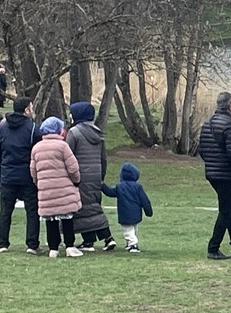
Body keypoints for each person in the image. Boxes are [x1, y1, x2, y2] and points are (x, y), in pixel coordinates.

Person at [196, 91, 231, 260]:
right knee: (226, 210)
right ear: (230, 106)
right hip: (226, 175)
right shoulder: (230, 125)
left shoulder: (207, 124)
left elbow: (202, 150)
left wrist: (212, 163)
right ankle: (213, 248)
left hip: (212, 173)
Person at [0, 96, 42, 253]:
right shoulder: (33, 129)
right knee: (32, 211)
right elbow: (37, 153)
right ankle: (32, 244)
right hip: (27, 176)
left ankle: (2, 243)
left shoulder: (1, 128)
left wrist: (1, 173)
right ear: (26, 110)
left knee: (5, 211)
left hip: (8, 175)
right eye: (31, 107)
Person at [30, 117, 83, 258]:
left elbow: (33, 171)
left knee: (50, 218)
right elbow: (73, 168)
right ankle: (69, 246)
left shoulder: (36, 148)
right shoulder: (63, 146)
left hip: (46, 189)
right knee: (67, 217)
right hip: (64, 188)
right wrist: (76, 181)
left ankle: (53, 248)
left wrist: (39, 183)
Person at [67, 101, 115, 251]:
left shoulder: (74, 133)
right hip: (95, 175)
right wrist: (101, 176)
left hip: (79, 176)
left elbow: (68, 155)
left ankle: (97, 239)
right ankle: (96, 239)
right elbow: (103, 158)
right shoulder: (98, 133)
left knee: (81, 208)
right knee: (93, 207)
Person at [101, 162, 154, 253]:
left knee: (128, 231)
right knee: (134, 229)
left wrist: (102, 185)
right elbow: (145, 200)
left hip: (125, 214)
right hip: (136, 213)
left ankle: (133, 244)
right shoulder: (138, 187)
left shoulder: (120, 187)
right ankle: (131, 244)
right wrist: (148, 211)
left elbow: (110, 192)